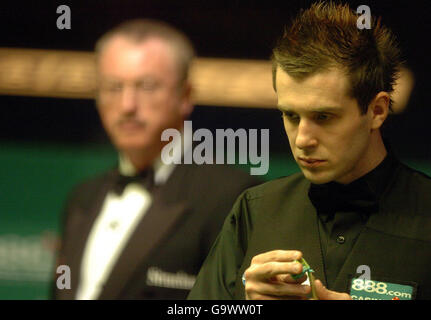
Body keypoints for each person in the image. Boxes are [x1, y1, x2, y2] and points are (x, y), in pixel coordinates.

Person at [188, 2, 431, 300]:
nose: (302, 139)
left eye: (324, 117)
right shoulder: (253, 210)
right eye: (291, 116)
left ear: (377, 111)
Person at [53, 19, 260, 300]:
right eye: (113, 87)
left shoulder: (234, 197)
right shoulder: (82, 197)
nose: (127, 105)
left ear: (185, 95)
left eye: (147, 86)